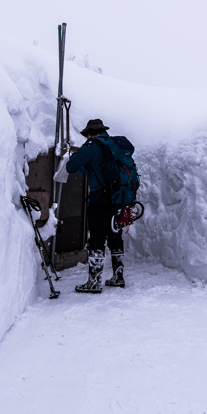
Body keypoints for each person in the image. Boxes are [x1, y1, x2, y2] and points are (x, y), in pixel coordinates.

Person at [66, 118, 134, 293]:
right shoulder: (112, 145)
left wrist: (80, 157)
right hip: (117, 199)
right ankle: (118, 277)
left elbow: (70, 166)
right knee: (114, 236)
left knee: (97, 238)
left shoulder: (91, 146)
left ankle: (94, 281)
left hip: (99, 200)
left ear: (89, 133)